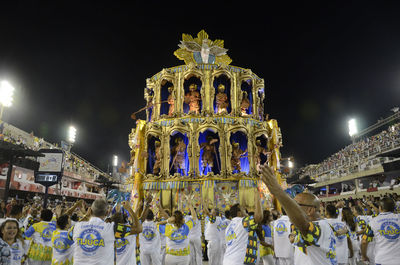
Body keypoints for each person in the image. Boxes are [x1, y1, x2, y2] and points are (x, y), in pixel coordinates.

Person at [260, 165, 337, 265]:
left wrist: (278, 191)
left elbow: (304, 226)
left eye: (296, 205)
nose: (290, 209)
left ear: (309, 210)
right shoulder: (315, 227)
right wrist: (293, 236)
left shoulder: (320, 227)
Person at [68, 199, 140, 265]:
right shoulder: (111, 228)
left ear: (90, 210)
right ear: (107, 213)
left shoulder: (76, 228)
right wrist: (129, 209)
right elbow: (138, 229)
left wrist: (86, 216)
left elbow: (69, 235)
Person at [222, 190, 263, 265]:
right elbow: (259, 217)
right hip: (239, 261)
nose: (247, 212)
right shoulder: (242, 222)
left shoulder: (229, 227)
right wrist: (257, 198)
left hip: (228, 260)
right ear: (239, 213)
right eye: (244, 210)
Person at [361, 197, 400, 265]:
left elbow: (364, 241)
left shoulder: (373, 222)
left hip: (382, 260)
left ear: (380, 207)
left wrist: (364, 256)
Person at [159, 199, 197, 265]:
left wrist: (167, 221)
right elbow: (194, 218)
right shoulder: (186, 227)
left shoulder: (168, 228)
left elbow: (155, 224)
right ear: (182, 219)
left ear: (172, 219)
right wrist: (190, 205)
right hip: (184, 257)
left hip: (170, 257)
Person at [139, 197, 162, 265]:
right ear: (153, 216)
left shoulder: (140, 224)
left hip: (144, 250)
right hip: (154, 250)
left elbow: (140, 217)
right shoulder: (157, 224)